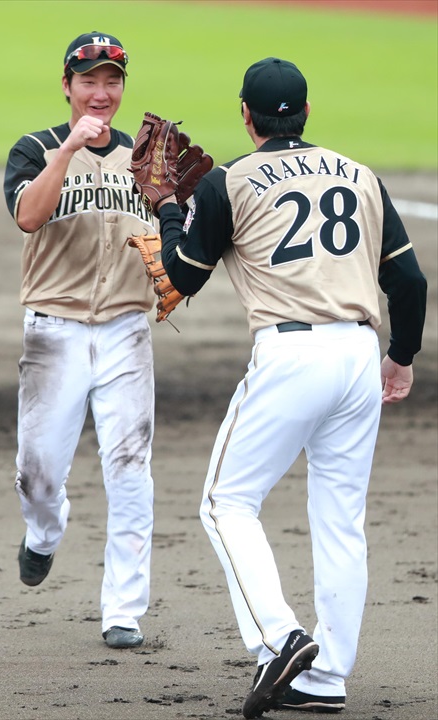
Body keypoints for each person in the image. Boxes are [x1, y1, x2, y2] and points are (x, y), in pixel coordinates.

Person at [154, 58, 427, 716]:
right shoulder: (360, 175)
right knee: (341, 521)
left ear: (245, 115)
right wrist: (401, 357)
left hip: (291, 357)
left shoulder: (228, 181)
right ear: (305, 113)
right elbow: (410, 282)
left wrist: (168, 211)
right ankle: (325, 679)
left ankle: (280, 639)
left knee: (226, 503)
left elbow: (181, 277)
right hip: (359, 357)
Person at [3, 31, 159, 650]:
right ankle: (44, 534)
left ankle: (124, 610)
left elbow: (177, 233)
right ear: (67, 85)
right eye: (89, 80)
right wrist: (68, 149)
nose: (101, 92)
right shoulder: (34, 149)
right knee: (38, 477)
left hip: (126, 331)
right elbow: (28, 216)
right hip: (54, 333)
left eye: (112, 81)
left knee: (130, 470)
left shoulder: (147, 158)